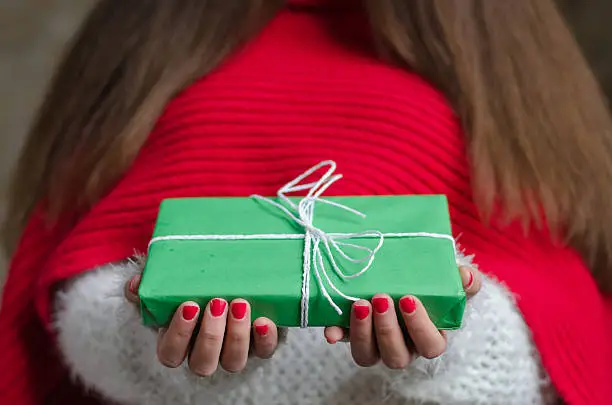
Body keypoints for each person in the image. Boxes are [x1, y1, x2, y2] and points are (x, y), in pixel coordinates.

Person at [1, 0, 611, 404]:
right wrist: (145, 341)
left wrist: (456, 340)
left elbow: (563, 331)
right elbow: (72, 286)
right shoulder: (154, 51)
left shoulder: (498, 64)